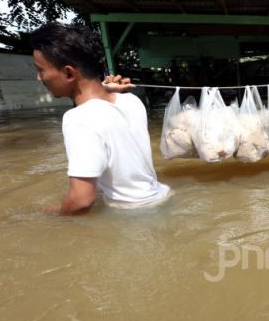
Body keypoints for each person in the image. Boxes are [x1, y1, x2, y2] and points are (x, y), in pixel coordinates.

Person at [31, 22, 171, 215]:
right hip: (161, 198)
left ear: (69, 72)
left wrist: (56, 215)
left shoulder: (79, 119)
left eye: (41, 70)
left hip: (133, 215)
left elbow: (81, 200)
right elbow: (103, 109)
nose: (40, 78)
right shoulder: (131, 101)